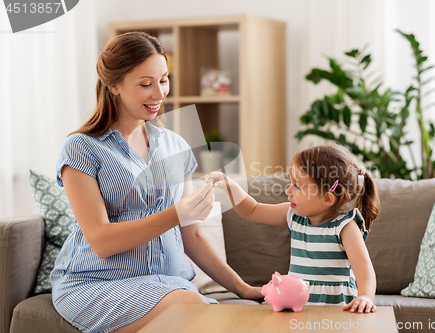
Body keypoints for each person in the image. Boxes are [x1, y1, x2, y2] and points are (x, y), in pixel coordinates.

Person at [50, 31, 262, 333]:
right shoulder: (81, 147)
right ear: (114, 85)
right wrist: (177, 214)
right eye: (145, 84)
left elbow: (193, 237)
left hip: (170, 283)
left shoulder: (175, 144)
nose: (159, 93)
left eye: (163, 80)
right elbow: (101, 241)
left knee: (203, 312)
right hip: (98, 282)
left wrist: (244, 289)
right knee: (197, 313)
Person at [210, 144, 379, 313]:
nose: (288, 190)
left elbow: (363, 267)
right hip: (297, 306)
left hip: (335, 308)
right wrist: (230, 186)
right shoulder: (294, 215)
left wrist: (365, 296)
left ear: (327, 198)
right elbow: (252, 210)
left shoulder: (345, 227)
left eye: (297, 186)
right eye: (291, 183)